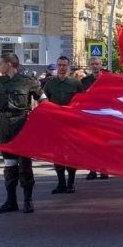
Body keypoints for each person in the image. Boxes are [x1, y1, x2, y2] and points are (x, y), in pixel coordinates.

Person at [0, 53, 42, 214]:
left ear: (9, 64)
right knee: (9, 164)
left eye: (1, 63)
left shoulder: (28, 81)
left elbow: (43, 100)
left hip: (22, 124)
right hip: (4, 125)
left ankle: (28, 200)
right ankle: (11, 201)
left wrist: (40, 118)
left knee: (25, 164)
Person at [41, 55, 83, 194]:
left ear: (69, 67)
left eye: (64, 65)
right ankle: (61, 183)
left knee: (71, 153)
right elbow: (44, 101)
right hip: (56, 124)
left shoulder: (75, 83)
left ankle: (71, 182)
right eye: (59, 65)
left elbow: (82, 101)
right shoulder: (50, 84)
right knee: (57, 153)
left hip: (71, 124)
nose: (61, 68)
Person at [81, 58, 109, 181]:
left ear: (101, 65)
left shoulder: (108, 79)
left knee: (103, 144)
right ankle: (92, 170)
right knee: (90, 144)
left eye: (97, 64)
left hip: (105, 116)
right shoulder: (85, 81)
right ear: (89, 66)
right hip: (90, 116)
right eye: (92, 64)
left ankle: (104, 169)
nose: (95, 66)